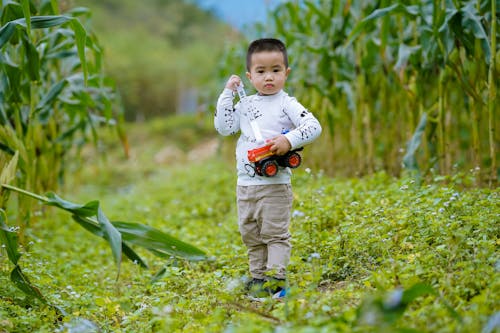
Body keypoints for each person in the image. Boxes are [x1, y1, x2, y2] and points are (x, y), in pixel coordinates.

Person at [214, 38, 322, 299]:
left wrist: (288, 140)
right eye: (261, 72)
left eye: (275, 70)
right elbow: (224, 127)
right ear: (250, 76)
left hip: (274, 185)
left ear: (286, 73)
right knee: (251, 234)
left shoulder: (287, 103)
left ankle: (277, 281)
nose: (268, 77)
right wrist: (227, 93)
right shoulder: (246, 104)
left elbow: (313, 126)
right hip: (246, 186)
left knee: (274, 234)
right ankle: (257, 278)